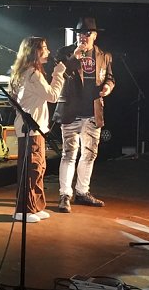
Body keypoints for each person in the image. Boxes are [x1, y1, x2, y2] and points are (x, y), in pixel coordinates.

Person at [52, 17, 115, 213]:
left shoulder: (104, 55)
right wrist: (75, 56)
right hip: (71, 111)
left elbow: (110, 77)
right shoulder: (65, 52)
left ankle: (82, 191)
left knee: (89, 154)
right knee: (69, 154)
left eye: (87, 34)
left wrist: (108, 87)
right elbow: (62, 73)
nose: (83, 37)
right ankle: (65, 195)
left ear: (95, 35)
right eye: (80, 33)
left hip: (93, 112)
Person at [8, 37, 61, 223]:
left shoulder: (25, 72)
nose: (48, 51)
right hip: (30, 129)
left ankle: (35, 206)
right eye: (44, 48)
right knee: (31, 169)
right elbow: (53, 96)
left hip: (34, 127)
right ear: (34, 52)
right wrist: (58, 74)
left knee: (37, 167)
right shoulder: (32, 74)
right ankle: (24, 210)